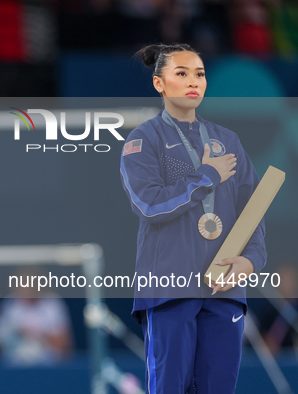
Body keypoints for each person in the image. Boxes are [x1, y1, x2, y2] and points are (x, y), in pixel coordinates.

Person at [120, 43, 266, 393]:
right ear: (159, 84)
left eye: (199, 74)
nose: (193, 82)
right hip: (170, 289)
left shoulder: (228, 140)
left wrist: (252, 260)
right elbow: (149, 205)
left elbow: (254, 208)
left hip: (224, 290)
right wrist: (206, 177)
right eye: (181, 74)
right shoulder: (143, 140)